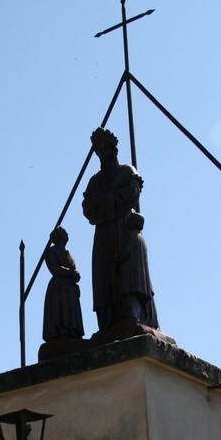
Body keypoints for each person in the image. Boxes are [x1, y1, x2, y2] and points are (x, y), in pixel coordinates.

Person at [81, 127, 158, 330]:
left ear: (113, 149)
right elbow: (87, 208)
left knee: (128, 273)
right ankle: (108, 323)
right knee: (104, 276)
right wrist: (108, 202)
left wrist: (106, 201)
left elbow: (131, 194)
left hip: (124, 228)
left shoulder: (127, 172)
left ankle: (131, 314)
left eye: (105, 148)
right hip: (103, 233)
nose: (102, 153)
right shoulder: (95, 181)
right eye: (98, 150)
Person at [42, 226, 84, 342]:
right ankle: (62, 332)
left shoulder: (68, 253)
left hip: (70, 286)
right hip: (59, 286)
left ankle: (72, 332)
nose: (67, 235)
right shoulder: (51, 251)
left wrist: (76, 274)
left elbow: (74, 268)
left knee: (70, 311)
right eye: (65, 233)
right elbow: (55, 268)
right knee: (61, 309)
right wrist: (71, 272)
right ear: (60, 236)